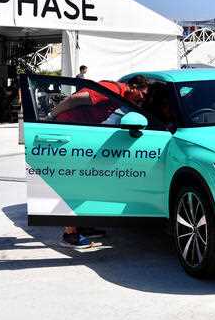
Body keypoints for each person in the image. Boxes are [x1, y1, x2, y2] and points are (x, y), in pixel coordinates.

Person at [51, 76, 150, 248]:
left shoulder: (121, 97)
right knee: (74, 184)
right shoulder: (113, 89)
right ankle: (70, 234)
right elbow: (75, 99)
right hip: (69, 133)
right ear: (134, 87)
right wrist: (51, 115)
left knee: (86, 182)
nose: (143, 98)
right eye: (142, 93)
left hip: (81, 134)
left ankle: (82, 225)